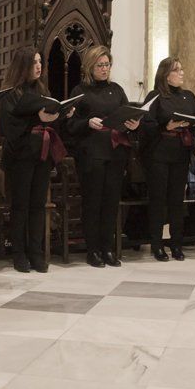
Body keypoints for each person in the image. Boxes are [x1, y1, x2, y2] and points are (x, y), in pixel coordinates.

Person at [0, 46, 72, 273]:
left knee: (38, 205)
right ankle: (19, 254)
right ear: (23, 66)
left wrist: (61, 115)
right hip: (20, 156)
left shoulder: (43, 91)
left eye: (40, 62)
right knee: (20, 206)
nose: (39, 66)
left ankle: (37, 253)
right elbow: (8, 129)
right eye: (33, 63)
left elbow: (49, 123)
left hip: (41, 155)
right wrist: (35, 118)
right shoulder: (11, 93)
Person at [67, 46, 139, 267]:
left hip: (115, 151)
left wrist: (133, 124)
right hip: (91, 153)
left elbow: (127, 113)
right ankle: (93, 250)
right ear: (90, 66)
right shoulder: (80, 90)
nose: (105, 69)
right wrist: (87, 122)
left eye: (107, 64)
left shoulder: (116, 90)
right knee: (93, 202)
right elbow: (69, 125)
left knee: (111, 202)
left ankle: (108, 249)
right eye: (100, 65)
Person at [140, 57, 195, 262]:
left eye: (181, 69)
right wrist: (165, 127)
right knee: (159, 201)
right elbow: (146, 124)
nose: (182, 73)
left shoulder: (188, 96)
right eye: (177, 70)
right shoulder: (156, 96)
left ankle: (177, 244)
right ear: (165, 74)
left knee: (177, 201)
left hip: (181, 152)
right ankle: (157, 245)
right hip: (159, 154)